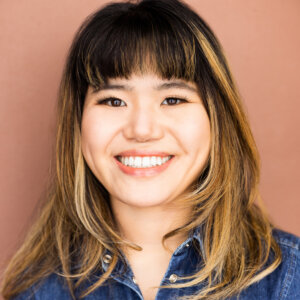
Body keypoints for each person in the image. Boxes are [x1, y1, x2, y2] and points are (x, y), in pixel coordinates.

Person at [1, 0, 299, 299]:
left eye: (172, 99)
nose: (142, 130)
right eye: (113, 101)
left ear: (217, 119)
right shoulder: (36, 292)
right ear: (78, 123)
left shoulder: (289, 280)